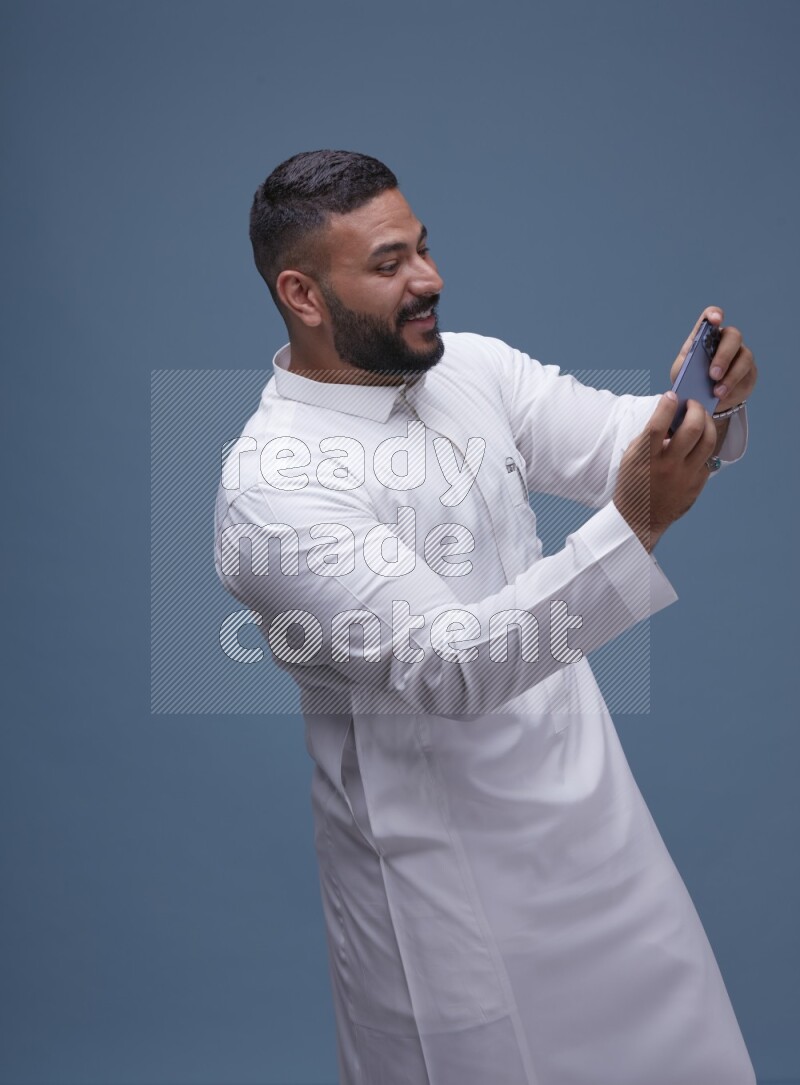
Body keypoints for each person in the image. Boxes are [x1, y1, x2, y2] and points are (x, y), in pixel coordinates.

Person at [214, 150, 758, 1084]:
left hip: (606, 846)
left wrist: (705, 407)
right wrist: (639, 520)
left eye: (422, 248)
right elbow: (453, 667)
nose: (429, 279)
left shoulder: (472, 367)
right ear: (302, 294)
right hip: (452, 899)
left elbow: (625, 444)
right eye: (389, 265)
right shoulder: (272, 492)